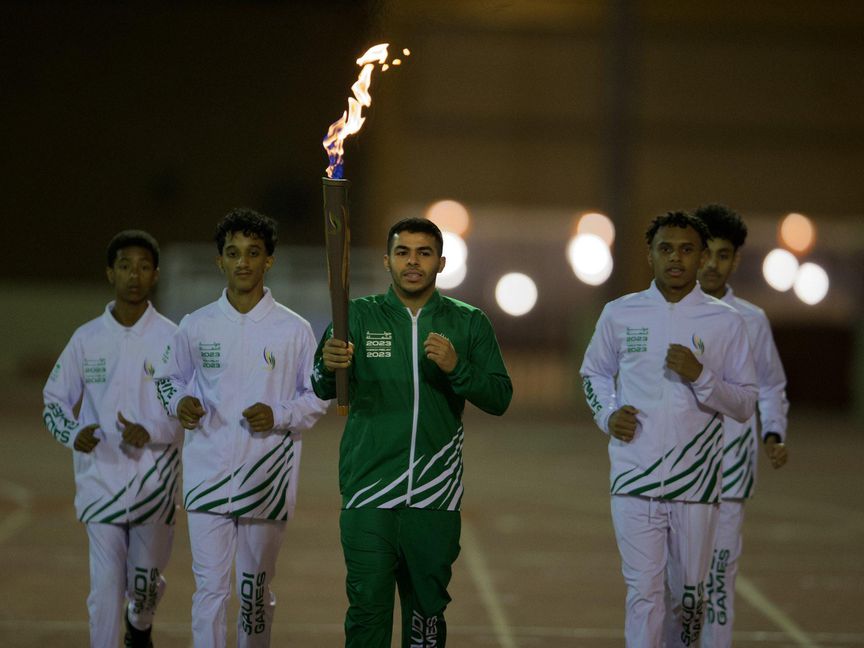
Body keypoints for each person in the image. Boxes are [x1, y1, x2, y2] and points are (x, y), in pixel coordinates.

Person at [312, 217, 512, 647]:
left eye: (424, 253)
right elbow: (321, 385)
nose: (413, 262)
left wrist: (459, 368)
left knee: (425, 619)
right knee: (367, 613)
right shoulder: (355, 317)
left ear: (441, 262)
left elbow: (499, 397)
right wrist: (328, 367)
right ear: (387, 261)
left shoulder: (468, 322)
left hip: (434, 495)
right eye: (403, 252)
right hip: (368, 490)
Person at [580, 211, 758, 647]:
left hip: (696, 485)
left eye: (686, 249)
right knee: (643, 592)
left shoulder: (725, 322)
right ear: (650, 255)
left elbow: (745, 402)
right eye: (665, 248)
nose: (675, 257)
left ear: (700, 258)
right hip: (633, 477)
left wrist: (701, 376)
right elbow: (594, 374)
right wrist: (608, 414)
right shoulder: (620, 313)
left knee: (689, 599)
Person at [153, 208, 328, 647]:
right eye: (233, 253)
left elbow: (317, 396)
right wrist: (180, 402)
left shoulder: (295, 330)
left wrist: (280, 415)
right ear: (220, 261)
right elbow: (166, 379)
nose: (243, 262)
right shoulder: (196, 325)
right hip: (205, 476)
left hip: (266, 479)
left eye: (253, 252)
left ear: (269, 260)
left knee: (253, 595)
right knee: (209, 591)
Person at [42, 230, 182, 648]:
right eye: (124, 266)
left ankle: (139, 625)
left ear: (155, 275)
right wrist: (73, 433)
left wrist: (153, 430)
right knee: (103, 591)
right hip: (99, 482)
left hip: (154, 487)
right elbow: (54, 401)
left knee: (143, 588)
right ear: (110, 273)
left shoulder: (174, 338)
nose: (133, 276)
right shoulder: (86, 339)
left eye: (142, 267)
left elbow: (191, 409)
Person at [694, 204, 789, 648]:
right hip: (672, 474)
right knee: (674, 584)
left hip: (730, 475)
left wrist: (773, 433)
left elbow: (771, 386)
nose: (713, 264)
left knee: (718, 580)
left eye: (724, 254)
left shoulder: (752, 321)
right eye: (706, 253)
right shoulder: (661, 313)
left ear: (736, 260)